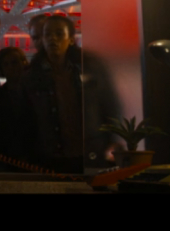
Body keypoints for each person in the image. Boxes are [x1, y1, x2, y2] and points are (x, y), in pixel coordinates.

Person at [28, 13, 123, 168]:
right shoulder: (33, 74)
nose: (52, 39)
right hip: (51, 154)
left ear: (71, 39)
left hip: (91, 149)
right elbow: (28, 116)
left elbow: (109, 103)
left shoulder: (90, 66)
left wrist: (114, 139)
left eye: (59, 34)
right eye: (47, 34)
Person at [0, 47, 37, 172]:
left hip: (34, 156)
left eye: (14, 62)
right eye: (6, 64)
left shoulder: (36, 92)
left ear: (23, 63)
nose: (11, 67)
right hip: (6, 158)